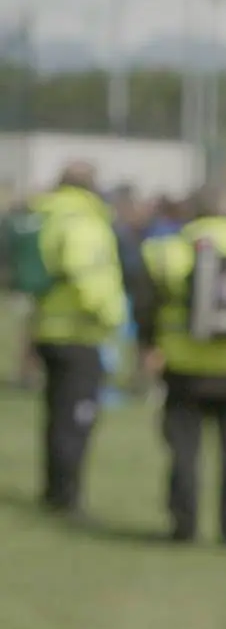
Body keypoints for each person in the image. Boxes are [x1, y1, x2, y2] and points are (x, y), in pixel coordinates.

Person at [128, 190, 226, 545]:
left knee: (183, 450)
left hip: (185, 368)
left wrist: (149, 347)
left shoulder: (166, 251)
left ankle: (183, 522)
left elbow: (145, 308)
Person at [16, 163, 128, 519]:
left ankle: (54, 489)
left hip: (48, 328)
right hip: (79, 333)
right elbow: (86, 272)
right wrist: (112, 317)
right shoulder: (83, 222)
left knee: (56, 416)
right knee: (76, 418)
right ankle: (67, 497)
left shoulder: (47, 214)